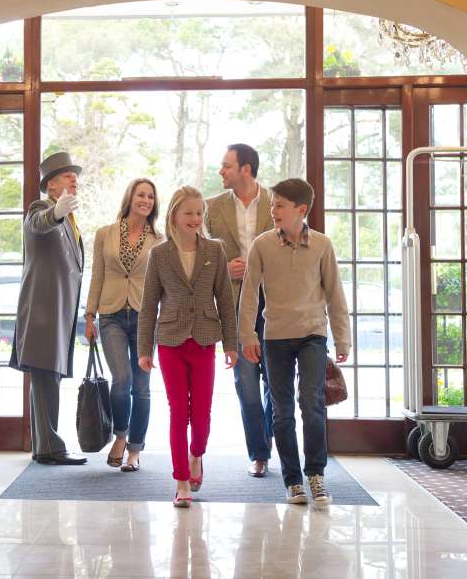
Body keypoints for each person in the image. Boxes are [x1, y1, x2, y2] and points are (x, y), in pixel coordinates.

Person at [238, 178, 351, 506]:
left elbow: (335, 294)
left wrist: (342, 339)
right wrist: (247, 335)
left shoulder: (322, 245)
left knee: (312, 404)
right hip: (274, 337)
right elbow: (249, 296)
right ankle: (292, 481)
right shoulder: (262, 245)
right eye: (273, 204)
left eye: (280, 205)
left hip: (313, 336)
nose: (273, 210)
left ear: (300, 210)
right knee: (282, 410)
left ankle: (315, 475)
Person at [137, 186, 238, 507]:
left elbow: (224, 298)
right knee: (179, 411)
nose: (195, 219)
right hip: (170, 341)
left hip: (206, 339)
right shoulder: (160, 254)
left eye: (199, 213)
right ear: (174, 217)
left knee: (202, 414)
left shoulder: (215, 250)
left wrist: (232, 344)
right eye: (188, 213)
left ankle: (197, 455)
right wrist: (144, 349)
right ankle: (181, 479)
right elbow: (148, 303)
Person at [10, 151, 87, 465]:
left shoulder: (68, 219)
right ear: (52, 185)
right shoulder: (41, 208)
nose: (74, 180)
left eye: (74, 175)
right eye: (67, 175)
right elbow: (39, 224)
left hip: (59, 312)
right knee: (44, 377)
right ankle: (49, 448)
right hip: (42, 312)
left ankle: (46, 444)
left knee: (48, 378)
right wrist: (56, 211)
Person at [84, 178, 164, 473]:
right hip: (111, 315)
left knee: (141, 387)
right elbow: (97, 275)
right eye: (141, 194)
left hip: (145, 317)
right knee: (122, 379)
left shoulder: (159, 239)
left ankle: (135, 450)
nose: (145, 200)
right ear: (129, 197)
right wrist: (89, 315)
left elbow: (163, 283)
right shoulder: (104, 234)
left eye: (151, 197)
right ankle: (120, 435)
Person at [205, 143, 275, 478]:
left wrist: (260, 267)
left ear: (245, 169)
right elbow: (200, 256)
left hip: (276, 304)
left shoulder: (279, 202)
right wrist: (223, 267)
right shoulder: (211, 208)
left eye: (226, 165)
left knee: (276, 383)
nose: (221, 171)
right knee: (246, 382)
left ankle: (270, 440)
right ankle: (259, 453)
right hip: (234, 304)